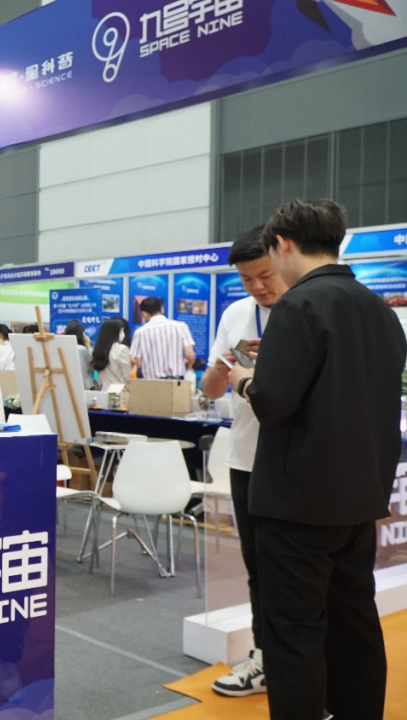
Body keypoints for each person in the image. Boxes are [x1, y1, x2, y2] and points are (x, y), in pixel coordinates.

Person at [227, 199, 406, 720]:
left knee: (294, 634)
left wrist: (245, 381)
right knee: (355, 624)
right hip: (360, 498)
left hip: (298, 503)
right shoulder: (379, 309)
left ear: (282, 244)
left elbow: (273, 403)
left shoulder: (298, 306)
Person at [200, 226, 290, 698]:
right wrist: (227, 364)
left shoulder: (305, 308)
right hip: (246, 457)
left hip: (297, 460)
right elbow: (210, 389)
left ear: (283, 259)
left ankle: (301, 664)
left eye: (264, 275)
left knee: (296, 570)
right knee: (258, 565)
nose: (257, 286)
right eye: (246, 279)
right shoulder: (236, 314)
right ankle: (265, 658)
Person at [129, 297, 195, 379]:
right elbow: (190, 354)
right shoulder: (180, 326)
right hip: (176, 380)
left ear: (144, 314)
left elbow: (138, 361)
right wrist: (189, 365)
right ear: (162, 309)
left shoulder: (140, 332)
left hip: (151, 381)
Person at [90, 317, 132, 390]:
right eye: (122, 331)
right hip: (120, 391)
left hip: (105, 390)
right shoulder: (122, 349)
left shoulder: (99, 349)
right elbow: (128, 377)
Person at [64, 320, 94, 390]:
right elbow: (92, 364)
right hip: (83, 386)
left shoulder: (63, 348)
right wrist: (89, 346)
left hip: (67, 385)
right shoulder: (81, 349)